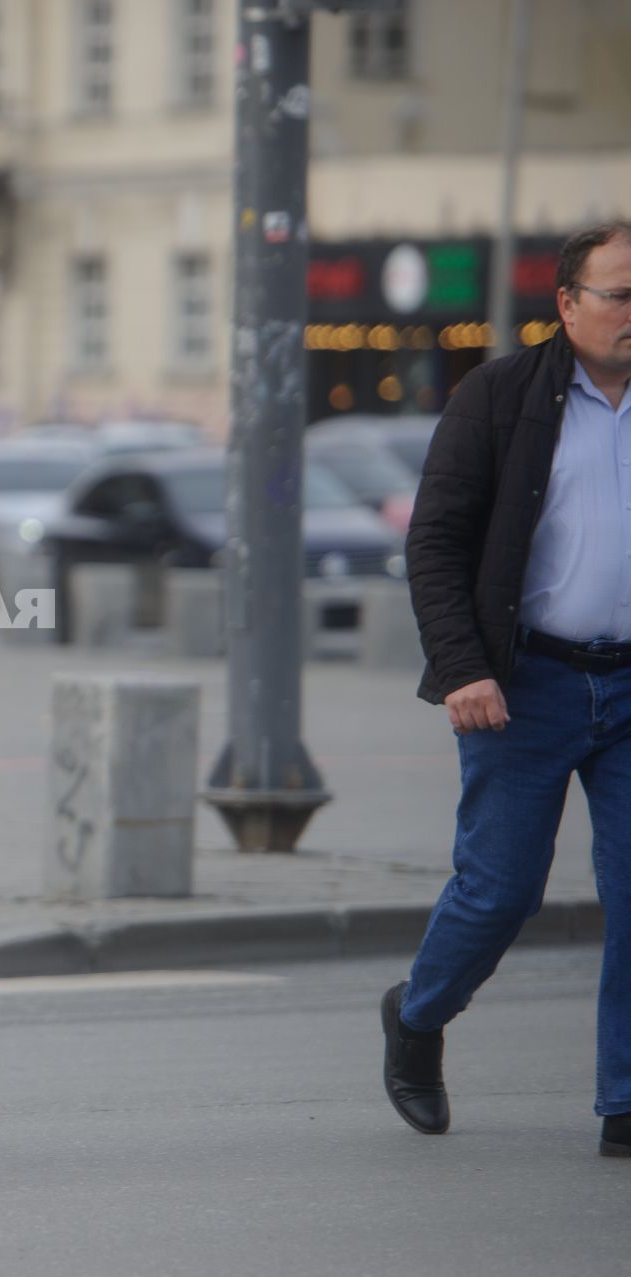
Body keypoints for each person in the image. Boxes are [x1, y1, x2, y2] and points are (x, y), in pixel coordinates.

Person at [388, 220, 631, 1157]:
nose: (630, 313)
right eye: (618, 295)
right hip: (523, 684)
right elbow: (436, 543)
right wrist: (463, 667)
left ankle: (624, 1100)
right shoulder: (499, 396)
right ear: (566, 304)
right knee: (500, 892)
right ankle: (416, 1017)